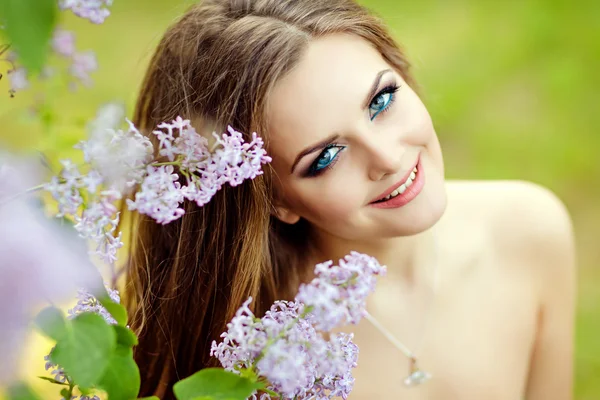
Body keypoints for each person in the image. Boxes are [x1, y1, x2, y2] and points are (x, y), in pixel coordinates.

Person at [123, 0, 576, 398]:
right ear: (275, 201)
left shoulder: (529, 231)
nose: (387, 157)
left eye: (381, 100)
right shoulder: (253, 350)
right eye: (325, 157)